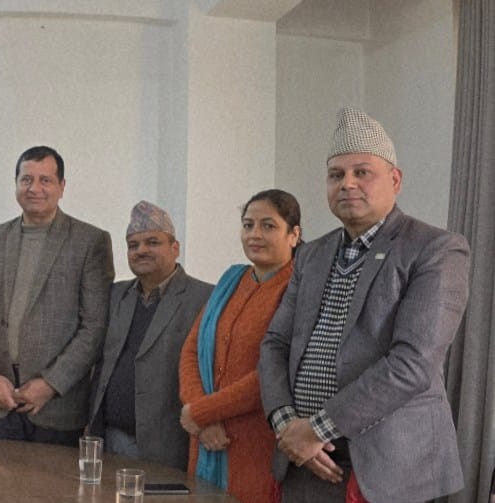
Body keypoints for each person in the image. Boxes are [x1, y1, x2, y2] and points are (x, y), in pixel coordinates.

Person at [259, 108, 470, 502]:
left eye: (362, 172)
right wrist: (287, 424)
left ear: (395, 180)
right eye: (336, 175)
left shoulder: (435, 249)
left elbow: (413, 363)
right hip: (303, 459)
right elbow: (275, 343)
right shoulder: (312, 255)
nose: (347, 184)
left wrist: (317, 428)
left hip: (388, 469)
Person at [0, 146, 114, 446]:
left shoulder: (90, 242)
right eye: (26, 179)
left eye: (45, 180)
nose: (34, 188)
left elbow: (94, 327)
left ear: (62, 186)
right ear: (16, 185)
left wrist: (50, 384)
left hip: (56, 407)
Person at [178, 189, 302, 503]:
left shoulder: (298, 288)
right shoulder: (231, 280)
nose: (254, 234)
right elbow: (192, 350)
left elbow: (274, 372)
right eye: (248, 225)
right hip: (207, 437)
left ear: (294, 235)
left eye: (268, 226)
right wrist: (202, 418)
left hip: (258, 442)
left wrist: (201, 412)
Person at [88, 201, 212, 469]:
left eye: (152, 242)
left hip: (168, 445)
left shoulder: (204, 298)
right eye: (133, 245)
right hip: (108, 440)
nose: (141, 250)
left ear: (175, 248)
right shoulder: (116, 295)